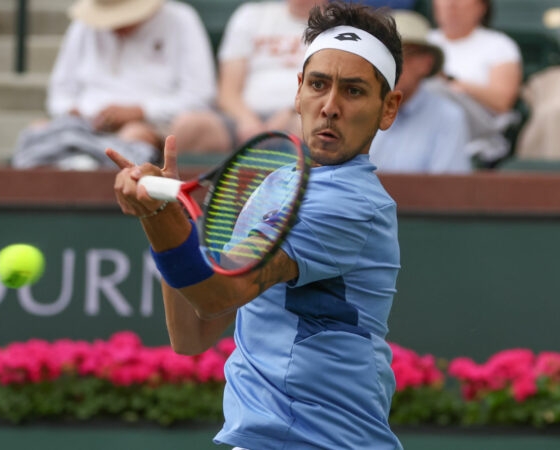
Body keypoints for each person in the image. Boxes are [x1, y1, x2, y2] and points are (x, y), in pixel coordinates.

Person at [107, 1, 404, 448]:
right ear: (298, 90)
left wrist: (160, 216)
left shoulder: (349, 203)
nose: (330, 107)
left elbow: (219, 291)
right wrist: (169, 219)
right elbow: (193, 332)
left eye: (354, 91)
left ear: (388, 108)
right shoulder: (277, 185)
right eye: (319, 85)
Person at [12, 0, 216, 170]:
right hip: (83, 124)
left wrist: (140, 111)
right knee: (38, 129)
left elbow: (199, 95)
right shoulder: (82, 27)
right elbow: (60, 92)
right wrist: (73, 111)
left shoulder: (180, 20)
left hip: (152, 126)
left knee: (134, 134)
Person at [170, 0, 327, 154]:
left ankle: (291, 179)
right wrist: (247, 120)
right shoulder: (251, 15)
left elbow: (329, 90)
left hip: (299, 114)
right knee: (189, 125)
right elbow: (227, 92)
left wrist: (292, 111)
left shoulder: (339, 25)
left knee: (308, 128)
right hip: (240, 119)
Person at [369, 9, 473, 173]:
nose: (391, 64)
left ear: (427, 63)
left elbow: (448, 191)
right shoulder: (357, 109)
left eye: (402, 54)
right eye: (383, 54)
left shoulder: (448, 117)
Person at [424, 0, 523, 166]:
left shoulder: (499, 44)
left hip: (479, 129)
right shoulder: (423, 41)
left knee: (433, 88)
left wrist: (450, 82)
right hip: (418, 129)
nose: (451, 4)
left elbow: (503, 101)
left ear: (482, 7)